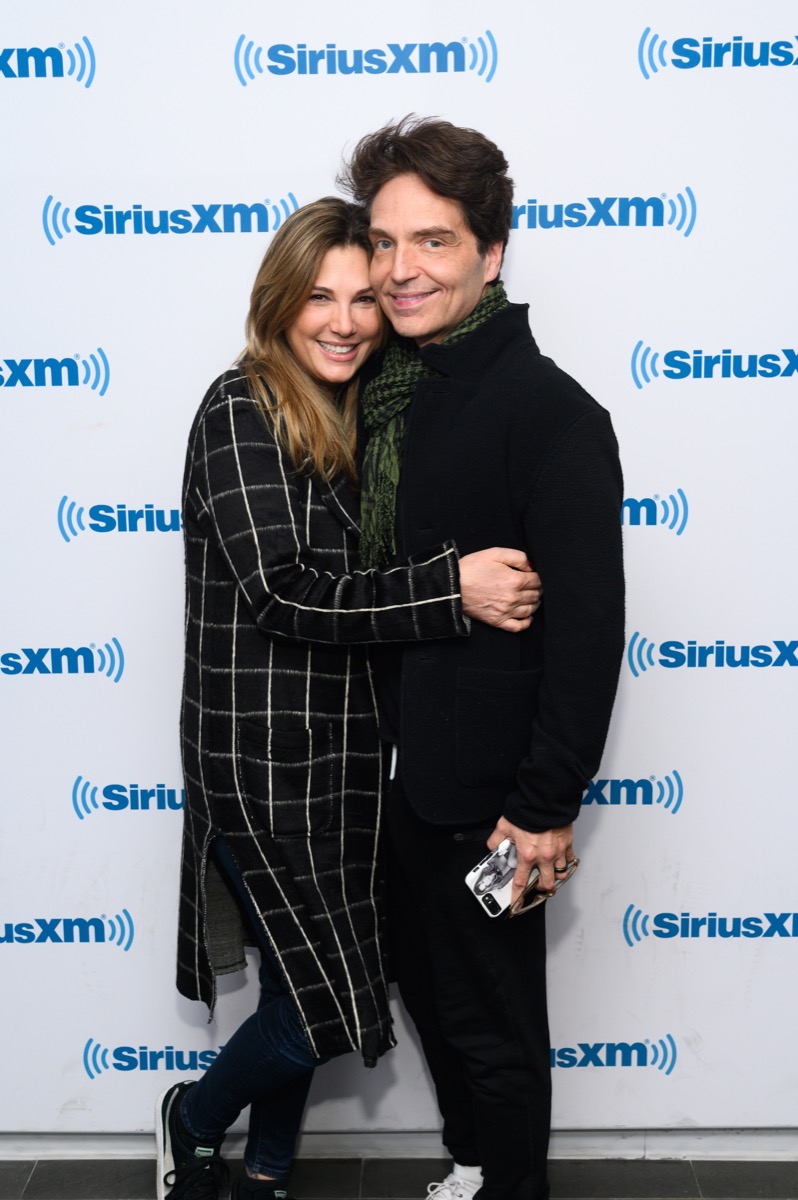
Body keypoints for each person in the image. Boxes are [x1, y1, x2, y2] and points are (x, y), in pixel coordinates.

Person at [157, 197, 542, 1200]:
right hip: (262, 770)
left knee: (299, 982)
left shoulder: (368, 414)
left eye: (364, 298)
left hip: (352, 768)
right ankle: (192, 1116)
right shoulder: (241, 407)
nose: (343, 321)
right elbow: (282, 592)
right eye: (318, 298)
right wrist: (451, 589)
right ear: (279, 303)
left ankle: (266, 1173)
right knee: (324, 1005)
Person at [340, 118, 626, 1200]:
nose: (400, 269)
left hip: (494, 802)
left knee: (498, 1025)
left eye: (434, 241)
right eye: (385, 241)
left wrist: (544, 808)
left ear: (492, 252)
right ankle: (471, 1168)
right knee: (429, 994)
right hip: (392, 782)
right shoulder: (385, 396)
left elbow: (588, 631)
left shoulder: (551, 413)